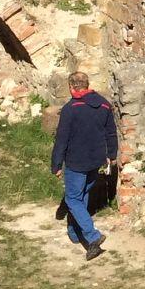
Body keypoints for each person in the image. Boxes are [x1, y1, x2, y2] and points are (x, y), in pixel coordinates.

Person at [50, 70, 117, 261]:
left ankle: (92, 236)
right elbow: (111, 133)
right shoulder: (104, 105)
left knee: (72, 199)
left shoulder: (71, 109)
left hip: (76, 162)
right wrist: (111, 154)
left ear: (71, 88)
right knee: (83, 195)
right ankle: (74, 233)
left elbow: (61, 140)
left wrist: (56, 165)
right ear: (87, 85)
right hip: (96, 160)